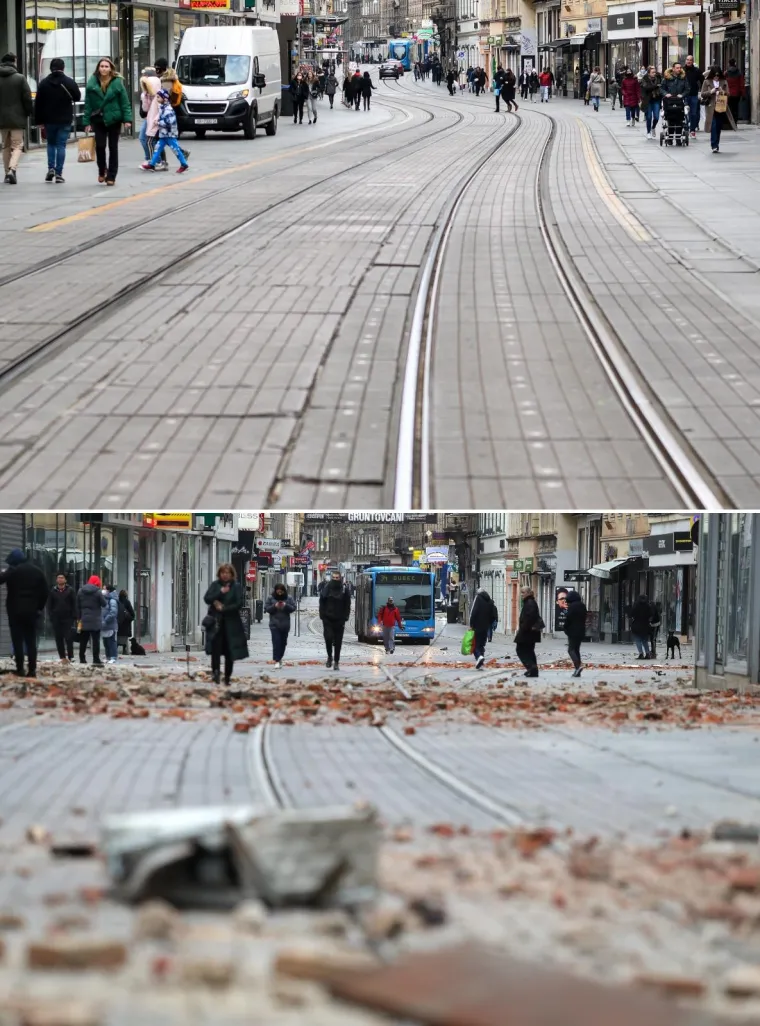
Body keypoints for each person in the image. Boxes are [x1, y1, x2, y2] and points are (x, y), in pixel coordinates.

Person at [83, 57, 131, 186]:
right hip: (98, 119)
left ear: (111, 69)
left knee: (113, 147)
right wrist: (86, 122)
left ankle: (112, 175)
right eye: (102, 66)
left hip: (114, 119)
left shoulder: (117, 83)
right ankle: (102, 170)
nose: (104, 68)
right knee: (100, 146)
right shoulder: (92, 83)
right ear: (98, 68)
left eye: (106, 66)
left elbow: (125, 102)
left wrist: (127, 119)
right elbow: (88, 104)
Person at [0, 550, 47, 677]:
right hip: (32, 612)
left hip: (14, 611)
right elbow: (45, 592)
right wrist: (39, 607)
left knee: (17, 640)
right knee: (30, 641)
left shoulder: (12, 571)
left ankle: (20, 668)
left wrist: (5, 571)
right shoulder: (37, 571)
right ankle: (32, 669)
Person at [34, 57, 81, 183]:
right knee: (61, 145)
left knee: (51, 144)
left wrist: (38, 121)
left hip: (49, 119)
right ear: (63, 68)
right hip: (64, 119)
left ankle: (51, 168)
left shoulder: (43, 83)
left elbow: (38, 103)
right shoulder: (69, 82)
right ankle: (59, 173)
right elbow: (77, 96)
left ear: (51, 68)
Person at [204, 564, 248, 685]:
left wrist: (224, 608)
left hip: (231, 624)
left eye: (228, 573)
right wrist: (220, 592)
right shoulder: (215, 585)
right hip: (216, 623)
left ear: (232, 574)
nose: (225, 575)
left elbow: (238, 603)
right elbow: (207, 598)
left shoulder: (236, 586)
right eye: (223, 572)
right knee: (215, 650)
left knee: (230, 652)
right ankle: (216, 672)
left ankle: (227, 676)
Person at [0, 53, 33, 186]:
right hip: (17, 118)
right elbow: (27, 98)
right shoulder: (20, 78)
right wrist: (28, 112)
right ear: (14, 62)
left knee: (5, 146)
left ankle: (6, 173)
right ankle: (12, 170)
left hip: (2, 118)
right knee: (17, 145)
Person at [141, 89, 188, 173]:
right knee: (157, 149)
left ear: (164, 98)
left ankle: (184, 164)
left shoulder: (167, 109)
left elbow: (169, 122)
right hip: (164, 134)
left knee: (175, 150)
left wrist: (158, 122)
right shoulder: (163, 107)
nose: (157, 99)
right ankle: (152, 164)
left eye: (158, 97)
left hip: (169, 134)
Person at [319, 570, 351, 670]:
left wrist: (345, 617)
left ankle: (336, 661)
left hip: (340, 619)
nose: (336, 579)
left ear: (340, 578)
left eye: (337, 578)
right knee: (328, 638)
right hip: (328, 619)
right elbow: (322, 602)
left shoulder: (344, 589)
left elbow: (347, 604)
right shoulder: (326, 588)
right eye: (334, 578)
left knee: (338, 641)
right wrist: (322, 615)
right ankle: (330, 657)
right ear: (331, 578)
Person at [77, 575, 106, 665]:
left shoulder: (80, 591)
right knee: (95, 641)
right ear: (97, 582)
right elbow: (104, 604)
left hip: (84, 619)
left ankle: (82, 658)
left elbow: (77, 605)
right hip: (95, 620)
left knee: (83, 641)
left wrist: (79, 618)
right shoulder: (98, 592)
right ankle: (96, 659)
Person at [265, 582, 296, 668]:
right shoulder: (271, 598)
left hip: (285, 624)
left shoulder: (288, 598)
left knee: (283, 643)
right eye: (278, 591)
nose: (279, 593)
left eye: (281, 592)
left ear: (283, 591)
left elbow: (293, 608)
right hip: (274, 624)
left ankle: (280, 657)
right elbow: (267, 609)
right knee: (276, 642)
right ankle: (276, 660)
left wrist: (285, 606)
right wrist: (274, 606)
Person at [47, 573, 76, 662]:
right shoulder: (52, 591)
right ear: (56, 580)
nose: (60, 579)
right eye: (58, 578)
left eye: (62, 578)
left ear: (65, 580)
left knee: (68, 638)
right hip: (56, 618)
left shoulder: (70, 590)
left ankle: (71, 656)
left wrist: (74, 616)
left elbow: (74, 604)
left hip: (68, 618)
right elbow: (49, 605)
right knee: (58, 638)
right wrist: (51, 616)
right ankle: (62, 657)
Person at [701, 65, 731, 153]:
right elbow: (702, 94)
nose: (716, 77)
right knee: (713, 125)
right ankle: (714, 145)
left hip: (721, 106)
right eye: (715, 75)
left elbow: (728, 93)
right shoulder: (707, 82)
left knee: (718, 126)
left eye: (718, 76)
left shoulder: (724, 81)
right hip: (711, 106)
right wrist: (711, 91)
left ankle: (716, 143)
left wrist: (722, 91)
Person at [515, 586, 542, 678]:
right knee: (529, 651)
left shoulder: (530, 603)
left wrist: (523, 627)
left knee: (520, 650)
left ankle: (531, 667)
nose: (521, 594)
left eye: (523, 592)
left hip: (528, 632)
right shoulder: (530, 602)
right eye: (521, 592)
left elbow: (530, 618)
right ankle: (533, 670)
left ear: (529, 593)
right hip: (530, 632)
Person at [469, 588, 498, 670]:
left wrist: (471, 624)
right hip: (486, 627)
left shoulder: (478, 598)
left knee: (474, 645)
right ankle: (480, 661)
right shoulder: (490, 601)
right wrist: (489, 624)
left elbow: (473, 612)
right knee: (481, 644)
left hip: (477, 625)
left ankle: (479, 657)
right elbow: (493, 615)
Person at [138, 65, 161, 163]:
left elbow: (146, 110)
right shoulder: (148, 94)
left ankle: (153, 160)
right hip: (150, 118)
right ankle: (155, 160)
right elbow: (145, 109)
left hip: (154, 119)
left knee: (147, 139)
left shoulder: (158, 95)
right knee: (153, 140)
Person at [563, 590, 587, 678]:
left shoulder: (572, 607)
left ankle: (578, 666)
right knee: (576, 649)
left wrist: (565, 627)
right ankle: (578, 670)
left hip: (573, 631)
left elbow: (568, 618)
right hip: (581, 630)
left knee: (571, 649)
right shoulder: (582, 606)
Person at [683, 54, 704, 137]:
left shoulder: (697, 71)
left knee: (693, 113)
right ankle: (685, 127)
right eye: (687, 60)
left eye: (690, 60)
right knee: (684, 112)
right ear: (685, 61)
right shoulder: (682, 70)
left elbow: (703, 81)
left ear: (693, 61)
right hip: (684, 95)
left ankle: (692, 130)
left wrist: (702, 92)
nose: (689, 61)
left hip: (694, 94)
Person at [640, 65, 662, 139]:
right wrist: (656, 86)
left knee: (656, 117)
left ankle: (653, 127)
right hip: (648, 100)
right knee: (649, 117)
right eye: (652, 72)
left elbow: (661, 86)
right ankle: (648, 132)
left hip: (656, 100)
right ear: (649, 73)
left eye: (655, 72)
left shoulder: (658, 78)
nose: (654, 73)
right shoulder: (645, 79)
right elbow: (646, 88)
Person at [629, 594, 653, 659]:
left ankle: (641, 653)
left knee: (638, 640)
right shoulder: (647, 606)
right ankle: (647, 653)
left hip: (637, 625)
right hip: (645, 625)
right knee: (644, 640)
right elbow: (651, 615)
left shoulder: (636, 605)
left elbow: (631, 614)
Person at [101, 584, 120, 664]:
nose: (103, 590)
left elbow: (113, 612)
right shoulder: (104, 599)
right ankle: (108, 656)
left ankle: (113, 657)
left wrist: (105, 620)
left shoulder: (112, 600)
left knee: (111, 641)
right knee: (106, 642)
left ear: (108, 590)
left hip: (110, 625)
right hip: (104, 625)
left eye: (104, 589)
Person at [725, 57, 744, 126]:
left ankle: (730, 122)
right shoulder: (739, 73)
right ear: (735, 63)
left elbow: (723, 82)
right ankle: (735, 122)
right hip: (736, 93)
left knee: (729, 108)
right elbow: (741, 84)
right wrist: (743, 93)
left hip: (728, 93)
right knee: (735, 108)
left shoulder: (726, 73)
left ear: (729, 64)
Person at [117, 588, 135, 655]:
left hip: (118, 623)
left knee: (118, 637)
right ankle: (124, 650)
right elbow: (132, 613)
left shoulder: (117, 601)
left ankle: (115, 650)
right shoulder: (127, 602)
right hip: (125, 623)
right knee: (124, 638)